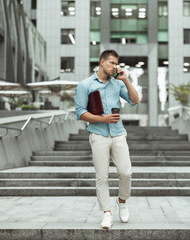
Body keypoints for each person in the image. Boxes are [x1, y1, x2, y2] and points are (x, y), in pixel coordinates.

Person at [75, 50, 139, 229]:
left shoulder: (117, 84)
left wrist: (125, 79)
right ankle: (107, 213)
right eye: (111, 63)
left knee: (126, 172)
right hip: (98, 135)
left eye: (116, 63)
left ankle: (122, 201)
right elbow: (80, 113)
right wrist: (102, 119)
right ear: (101, 62)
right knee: (101, 176)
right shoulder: (85, 85)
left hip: (118, 133)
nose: (114, 66)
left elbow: (135, 100)